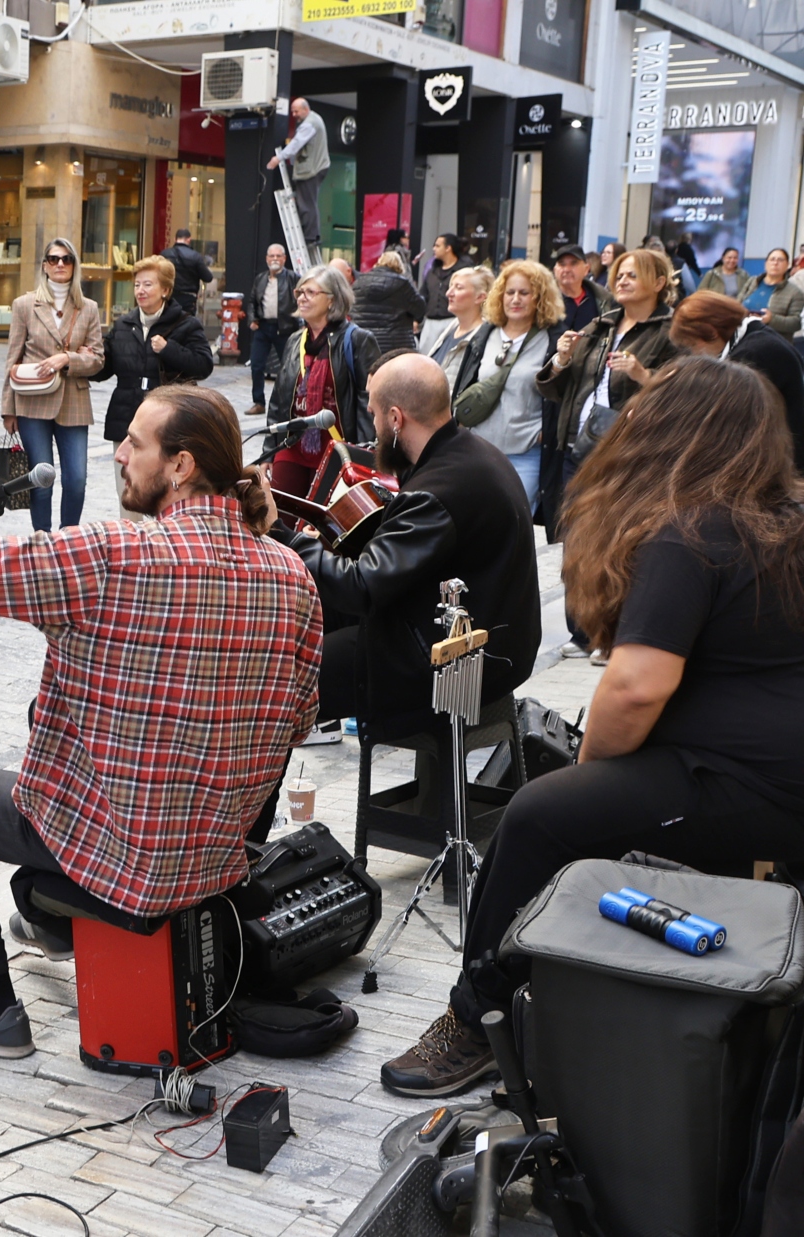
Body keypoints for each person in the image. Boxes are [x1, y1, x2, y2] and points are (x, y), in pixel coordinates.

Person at [0, 383, 319, 1056]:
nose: (119, 453)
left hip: (126, 859)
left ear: (182, 465)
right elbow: (299, 721)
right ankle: (51, 919)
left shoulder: (112, 556)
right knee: (44, 801)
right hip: (217, 861)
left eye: (135, 441)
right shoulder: (291, 574)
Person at [383, 357, 804, 1097]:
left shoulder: (693, 528)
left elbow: (636, 689)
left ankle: (474, 1018)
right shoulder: (784, 518)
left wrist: (590, 771)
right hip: (766, 772)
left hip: (743, 780)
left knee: (542, 815)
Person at [271, 352, 539, 745]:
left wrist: (282, 536)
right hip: (493, 647)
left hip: (450, 664)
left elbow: (362, 587)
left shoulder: (437, 489)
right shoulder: (471, 454)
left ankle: (251, 803)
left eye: (376, 413)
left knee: (275, 676)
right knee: (312, 621)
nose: (373, 423)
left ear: (396, 419)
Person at [534, 247, 679, 541]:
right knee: (574, 539)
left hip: (627, 454)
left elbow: (685, 395)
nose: (623, 281)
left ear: (659, 283)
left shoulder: (672, 330)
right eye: (619, 275)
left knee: (611, 540)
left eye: (633, 275)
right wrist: (561, 359)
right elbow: (555, 390)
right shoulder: (601, 324)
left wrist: (644, 375)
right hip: (577, 447)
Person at [93, 255, 211, 519]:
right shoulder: (124, 324)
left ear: (166, 290)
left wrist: (169, 350)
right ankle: (132, 551)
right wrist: (87, 359)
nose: (140, 291)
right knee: (129, 495)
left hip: (169, 427)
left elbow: (204, 365)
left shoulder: (186, 324)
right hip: (127, 424)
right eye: (137, 285)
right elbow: (104, 369)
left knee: (169, 492)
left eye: (148, 284)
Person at [1, 238, 104, 533]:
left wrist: (67, 359)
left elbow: (97, 359)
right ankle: (42, 541)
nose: (60, 264)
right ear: (45, 265)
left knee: (76, 479)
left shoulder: (89, 308)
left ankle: (68, 538)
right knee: (41, 480)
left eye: (67, 259)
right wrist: (8, 411)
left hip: (74, 402)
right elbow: (13, 360)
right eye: (54, 258)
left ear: (74, 266)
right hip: (31, 405)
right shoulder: (24, 305)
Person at [447, 261, 563, 511]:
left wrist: (543, 433)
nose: (516, 299)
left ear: (539, 298)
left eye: (524, 293)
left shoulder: (551, 340)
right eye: (510, 292)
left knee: (512, 523)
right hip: (478, 451)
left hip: (525, 456)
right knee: (472, 520)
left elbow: (559, 396)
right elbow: (465, 384)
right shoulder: (484, 335)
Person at [266, 264, 378, 499]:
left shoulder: (358, 339)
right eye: (300, 292)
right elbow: (279, 398)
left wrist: (363, 453)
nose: (302, 298)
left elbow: (368, 400)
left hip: (337, 448)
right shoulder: (296, 340)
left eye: (311, 292)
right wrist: (269, 452)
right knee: (279, 516)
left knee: (323, 523)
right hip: (292, 445)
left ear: (332, 299)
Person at [671, 290, 804, 471]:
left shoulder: (751, 356)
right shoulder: (758, 337)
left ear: (711, 332)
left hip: (785, 463)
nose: (694, 353)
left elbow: (729, 425)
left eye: (693, 345)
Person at [266, 98, 330, 249]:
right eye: (292, 111)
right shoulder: (313, 120)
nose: (294, 115)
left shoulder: (309, 124)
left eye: (296, 111)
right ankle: (310, 234)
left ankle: (310, 237)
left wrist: (278, 158)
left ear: (305, 110)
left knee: (306, 204)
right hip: (315, 167)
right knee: (306, 202)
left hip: (311, 170)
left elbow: (296, 144)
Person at [246, 243, 298, 417]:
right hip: (263, 327)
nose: (275, 259)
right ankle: (259, 402)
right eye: (271, 256)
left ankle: (287, 403)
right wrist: (252, 319)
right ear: (267, 258)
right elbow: (252, 302)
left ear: (284, 258)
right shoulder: (260, 278)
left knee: (288, 367)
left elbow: (301, 301)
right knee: (256, 365)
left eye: (278, 256)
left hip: (284, 328)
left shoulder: (293, 278)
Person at [418, 266, 492, 387]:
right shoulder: (452, 327)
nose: (448, 293)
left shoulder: (483, 338)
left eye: (458, 288)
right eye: (450, 286)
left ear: (480, 297)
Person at [353, 251, 427, 354]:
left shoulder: (359, 282)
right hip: (396, 345)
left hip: (364, 344)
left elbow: (352, 311)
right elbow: (420, 309)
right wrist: (415, 319)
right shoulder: (403, 284)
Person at [743, 247, 803, 343]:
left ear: (787, 265)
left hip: (773, 344)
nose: (775, 263)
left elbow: (796, 323)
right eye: (772, 259)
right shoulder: (752, 282)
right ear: (765, 264)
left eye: (780, 260)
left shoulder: (795, 293)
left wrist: (772, 319)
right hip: (744, 339)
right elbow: (737, 304)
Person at [552, 244, 613, 332]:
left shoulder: (602, 299)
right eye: (562, 264)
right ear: (555, 270)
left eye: (574, 264)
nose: (567, 269)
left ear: (586, 269)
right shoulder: (544, 300)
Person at [160, 228, 215, 315]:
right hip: (188, 298)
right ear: (189, 240)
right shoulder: (195, 256)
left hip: (169, 295)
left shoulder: (165, 254)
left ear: (175, 239)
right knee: (186, 324)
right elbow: (208, 277)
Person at [420, 233, 471, 321]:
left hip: (454, 320)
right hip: (430, 320)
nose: (434, 249)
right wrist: (417, 318)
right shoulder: (432, 271)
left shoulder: (464, 271)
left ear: (448, 248)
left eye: (437, 246)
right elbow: (423, 296)